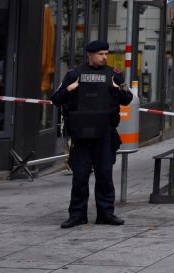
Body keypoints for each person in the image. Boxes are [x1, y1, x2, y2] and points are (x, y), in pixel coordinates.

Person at [50, 39, 133, 228]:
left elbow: (127, 99)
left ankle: (106, 214)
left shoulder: (114, 75)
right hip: (80, 135)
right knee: (80, 176)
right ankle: (77, 215)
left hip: (105, 133)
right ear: (90, 55)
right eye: (100, 54)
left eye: (106, 54)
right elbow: (55, 99)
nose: (104, 57)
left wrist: (116, 88)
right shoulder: (74, 75)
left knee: (104, 175)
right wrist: (69, 89)